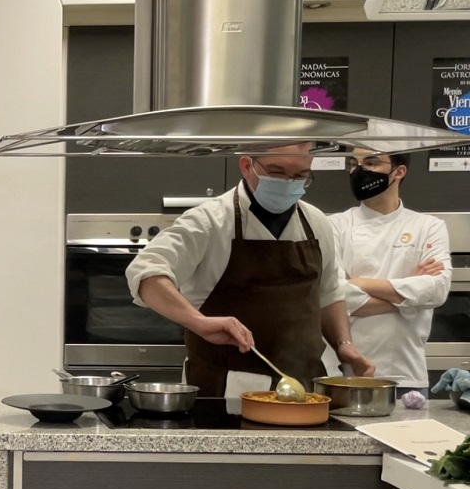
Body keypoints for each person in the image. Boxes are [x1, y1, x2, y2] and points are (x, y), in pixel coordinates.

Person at [124, 142, 375, 398]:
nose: (289, 183)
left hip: (302, 389)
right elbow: (146, 271)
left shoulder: (316, 222)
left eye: (300, 175)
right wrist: (198, 322)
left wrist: (343, 344)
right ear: (247, 166)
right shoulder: (210, 221)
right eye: (277, 172)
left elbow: (329, 293)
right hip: (223, 392)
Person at [327, 150, 451, 396]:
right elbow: (334, 293)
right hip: (343, 374)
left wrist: (358, 283)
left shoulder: (429, 227)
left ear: (399, 171)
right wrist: (411, 297)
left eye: (371, 163)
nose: (360, 170)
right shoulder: (333, 225)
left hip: (406, 374)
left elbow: (437, 290)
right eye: (354, 163)